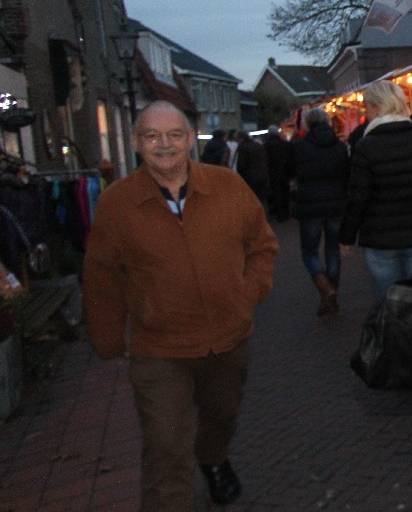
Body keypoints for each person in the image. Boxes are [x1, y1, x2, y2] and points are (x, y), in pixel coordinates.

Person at [82, 101, 278, 510]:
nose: (164, 144)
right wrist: (109, 338)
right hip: (160, 349)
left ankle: (213, 457)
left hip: (227, 339)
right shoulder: (118, 204)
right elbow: (102, 275)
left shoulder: (227, 187)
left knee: (221, 416)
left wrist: (246, 293)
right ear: (136, 143)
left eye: (174, 134)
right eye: (152, 136)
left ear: (190, 139)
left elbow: (261, 245)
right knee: (166, 447)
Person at [340, 80, 412, 297]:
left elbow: (357, 196)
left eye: (367, 107)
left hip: (379, 237)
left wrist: (347, 236)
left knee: (388, 302)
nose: (366, 112)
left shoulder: (366, 146)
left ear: (377, 107)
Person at [288, 107, 350, 316]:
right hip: (336, 202)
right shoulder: (340, 147)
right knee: (333, 250)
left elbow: (291, 172)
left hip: (309, 203)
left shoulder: (298, 147)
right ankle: (331, 293)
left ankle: (325, 287)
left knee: (309, 251)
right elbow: (346, 174)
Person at [263, 125, 291, 221]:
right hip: (285, 171)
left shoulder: (266, 145)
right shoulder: (285, 144)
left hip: (273, 172)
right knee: (285, 191)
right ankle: (287, 212)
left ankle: (280, 214)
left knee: (276, 193)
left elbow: (266, 159)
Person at [234, 130, 269, 206]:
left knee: (251, 200)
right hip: (263, 176)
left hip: (250, 178)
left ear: (240, 138)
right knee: (262, 199)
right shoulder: (258, 145)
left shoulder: (242, 147)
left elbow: (241, 165)